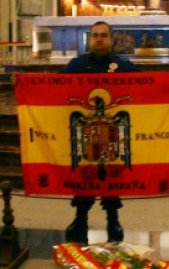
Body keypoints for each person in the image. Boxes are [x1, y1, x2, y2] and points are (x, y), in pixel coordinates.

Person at [59, 21, 138, 245]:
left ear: (112, 39)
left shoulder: (123, 65)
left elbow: (148, 86)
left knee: (111, 175)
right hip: (85, 132)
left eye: (104, 35)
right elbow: (53, 85)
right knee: (84, 174)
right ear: (90, 39)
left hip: (112, 133)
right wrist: (23, 83)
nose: (99, 39)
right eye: (95, 35)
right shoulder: (77, 64)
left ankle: (113, 220)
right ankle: (80, 219)